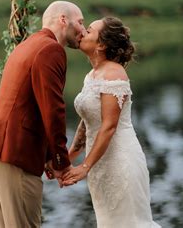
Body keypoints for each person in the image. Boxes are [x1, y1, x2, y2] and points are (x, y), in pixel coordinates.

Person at [0, 1, 86, 228]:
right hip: (16, 154)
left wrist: (47, 156)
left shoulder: (29, 44)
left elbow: (31, 106)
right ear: (63, 20)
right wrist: (60, 161)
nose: (83, 30)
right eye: (80, 22)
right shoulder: (51, 49)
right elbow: (53, 110)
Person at [62, 16, 161, 227]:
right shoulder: (92, 75)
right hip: (100, 164)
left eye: (88, 31)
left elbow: (109, 126)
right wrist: (70, 156)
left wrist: (85, 166)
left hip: (120, 162)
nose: (82, 33)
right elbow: (88, 120)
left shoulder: (114, 74)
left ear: (102, 44)